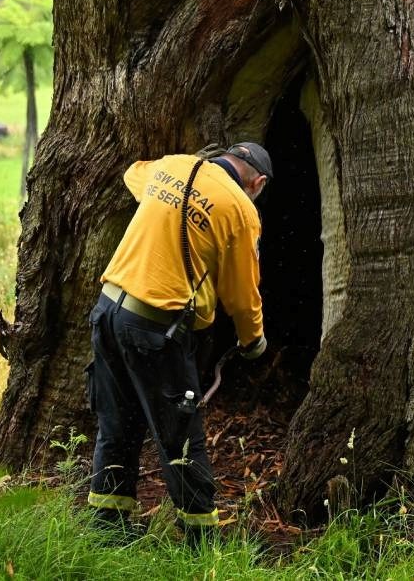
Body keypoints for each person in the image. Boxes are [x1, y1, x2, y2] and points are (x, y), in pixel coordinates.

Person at [85, 142, 273, 542]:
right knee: (181, 436)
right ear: (257, 182)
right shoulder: (242, 212)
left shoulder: (171, 166)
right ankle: (201, 541)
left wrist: (169, 196)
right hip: (155, 329)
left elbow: (132, 174)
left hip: (107, 312)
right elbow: (242, 295)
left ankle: (106, 530)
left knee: (117, 425)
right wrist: (252, 339)